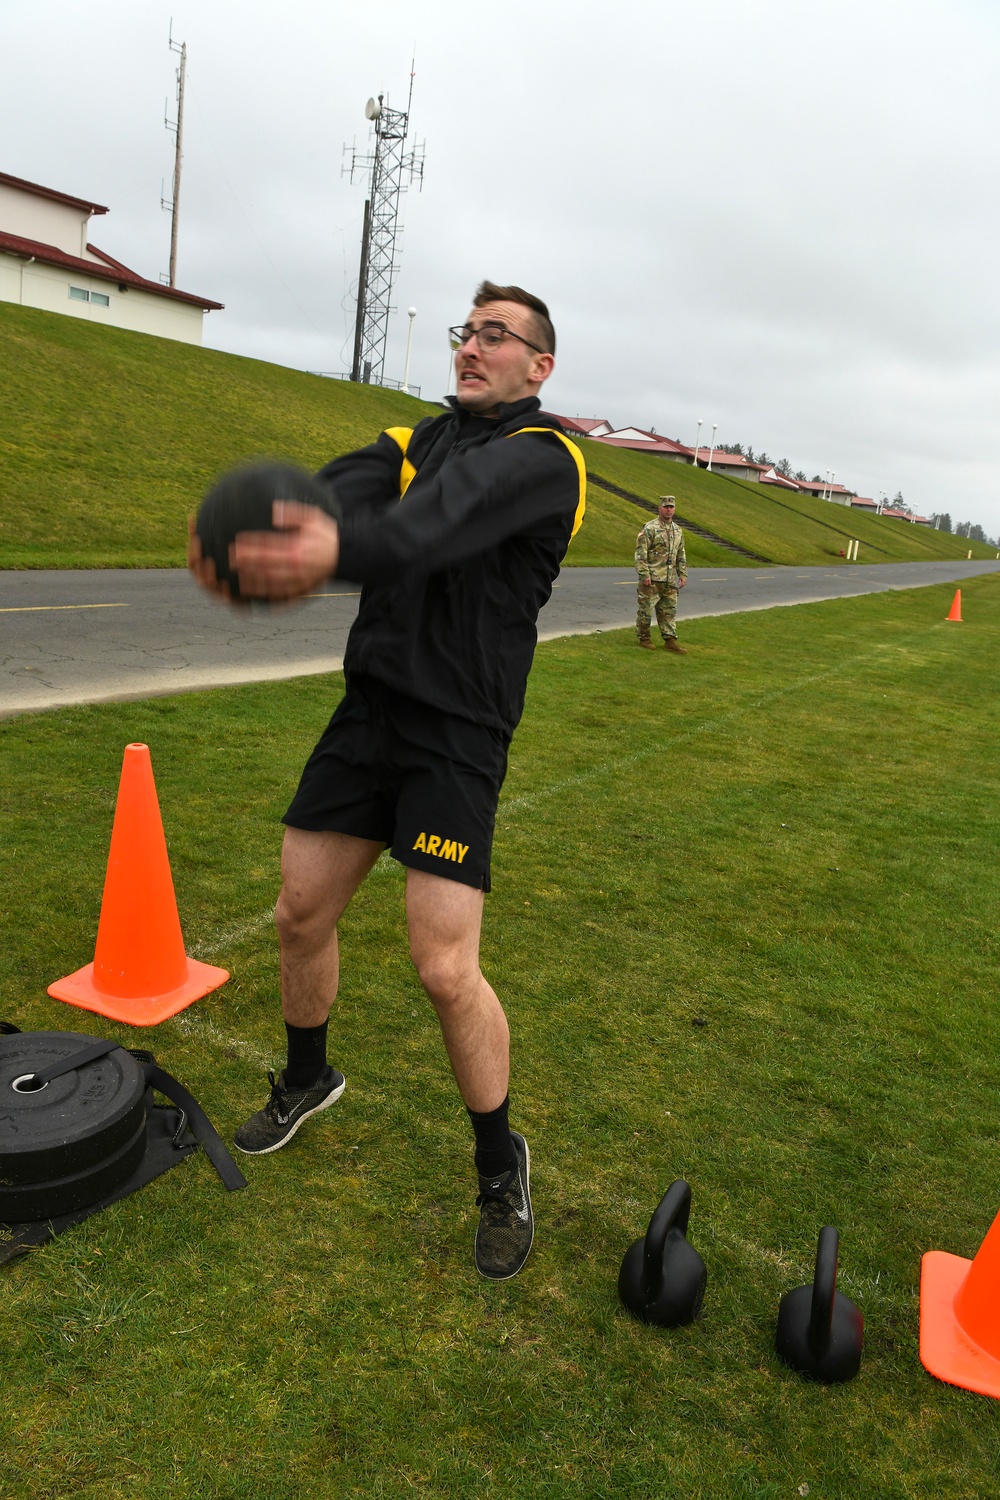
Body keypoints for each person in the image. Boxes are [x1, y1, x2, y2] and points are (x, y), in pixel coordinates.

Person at [187, 281, 586, 1281]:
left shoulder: (545, 461)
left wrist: (328, 547)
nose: (472, 347)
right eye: (467, 331)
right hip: (369, 715)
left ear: (538, 366)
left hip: (457, 735)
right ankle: (307, 1079)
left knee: (444, 967)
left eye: (497, 336)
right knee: (298, 914)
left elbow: (427, 532)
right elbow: (335, 499)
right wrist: (273, 535)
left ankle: (500, 1165)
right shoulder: (409, 442)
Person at [635, 495, 687, 652]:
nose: (669, 510)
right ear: (659, 508)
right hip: (652, 578)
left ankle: (670, 640)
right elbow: (640, 554)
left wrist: (682, 574)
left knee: (669, 610)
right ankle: (644, 638)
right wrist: (644, 574)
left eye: (671, 507)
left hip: (669, 579)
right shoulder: (650, 528)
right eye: (666, 507)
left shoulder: (677, 530)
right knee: (646, 610)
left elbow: (681, 554)